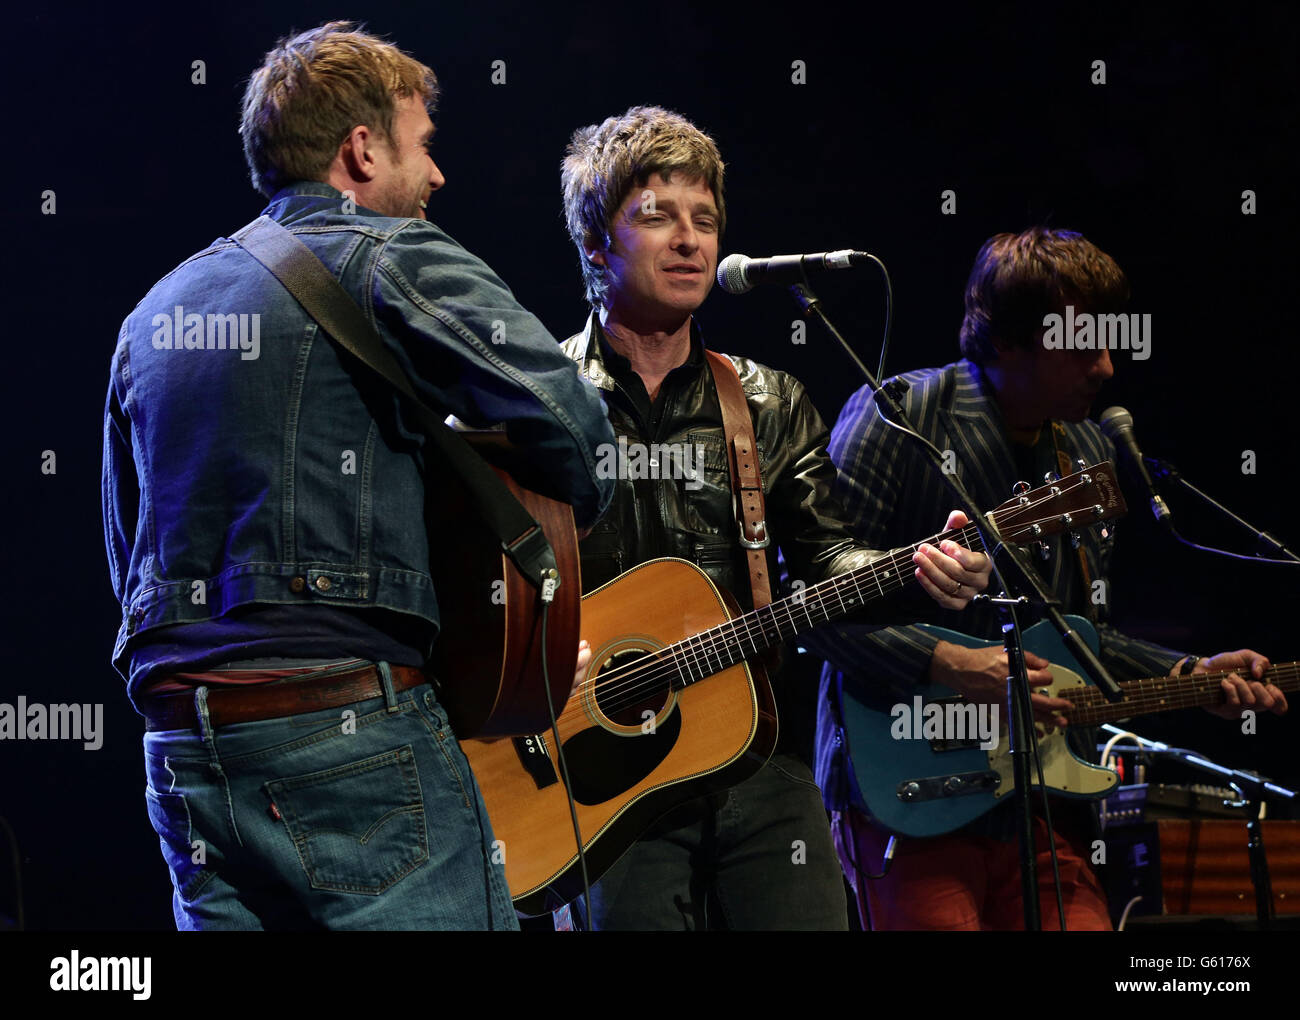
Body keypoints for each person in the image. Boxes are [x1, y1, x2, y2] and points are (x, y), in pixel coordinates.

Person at [101, 21, 615, 930]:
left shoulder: (153, 311)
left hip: (181, 746)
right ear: (362, 149)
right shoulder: (390, 250)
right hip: (348, 737)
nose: (439, 178)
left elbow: (125, 554)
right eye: (425, 149)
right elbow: (579, 436)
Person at [554, 105, 992, 930]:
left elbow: (828, 563)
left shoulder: (766, 400)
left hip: (757, 759)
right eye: (657, 216)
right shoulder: (536, 404)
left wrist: (920, 570)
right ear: (593, 242)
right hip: (597, 771)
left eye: (705, 220)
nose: (690, 240)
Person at [811, 226, 1288, 930]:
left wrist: (1191, 671)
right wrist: (950, 665)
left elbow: (1073, 633)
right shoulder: (899, 415)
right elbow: (811, 606)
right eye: (1081, 343)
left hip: (1036, 801)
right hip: (906, 791)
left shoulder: (1086, 448)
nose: (1106, 368)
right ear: (1006, 340)